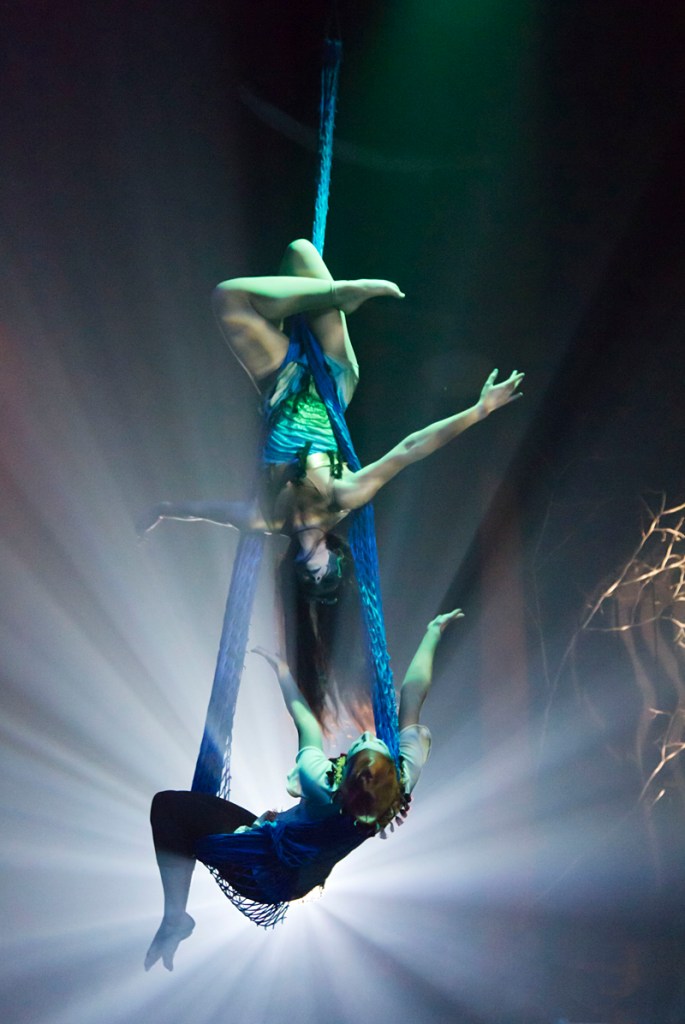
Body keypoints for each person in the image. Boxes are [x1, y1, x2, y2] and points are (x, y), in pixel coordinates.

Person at [139, 239, 522, 724]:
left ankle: (330, 296)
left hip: (280, 381)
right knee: (300, 256)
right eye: (324, 572)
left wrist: (162, 509)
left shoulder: (265, 517)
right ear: (335, 560)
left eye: (307, 576)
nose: (310, 567)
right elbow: (409, 449)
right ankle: (340, 294)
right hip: (330, 381)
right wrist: (479, 410)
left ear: (296, 573)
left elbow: (203, 510)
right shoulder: (343, 497)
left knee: (233, 295)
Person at [144, 608, 463, 972]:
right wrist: (433, 633)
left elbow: (306, 723)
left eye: (361, 744)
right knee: (201, 812)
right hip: (292, 873)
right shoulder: (397, 784)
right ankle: (180, 905)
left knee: (168, 809)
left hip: (258, 870)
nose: (365, 735)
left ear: (342, 778)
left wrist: (283, 673)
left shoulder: (319, 782)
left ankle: (175, 918)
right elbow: (412, 696)